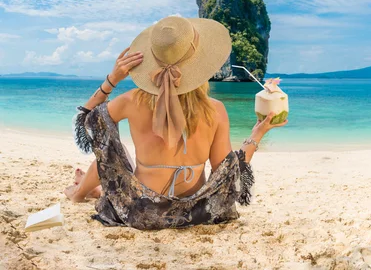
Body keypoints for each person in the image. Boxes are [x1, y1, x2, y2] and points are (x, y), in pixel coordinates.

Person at [65, 16, 287, 229]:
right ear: (199, 65)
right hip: (194, 213)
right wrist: (258, 132)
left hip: (141, 212)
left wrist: (111, 79)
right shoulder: (215, 110)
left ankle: (79, 193)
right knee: (113, 154)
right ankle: (93, 190)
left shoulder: (131, 101)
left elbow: (89, 122)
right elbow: (226, 174)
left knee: (112, 150)